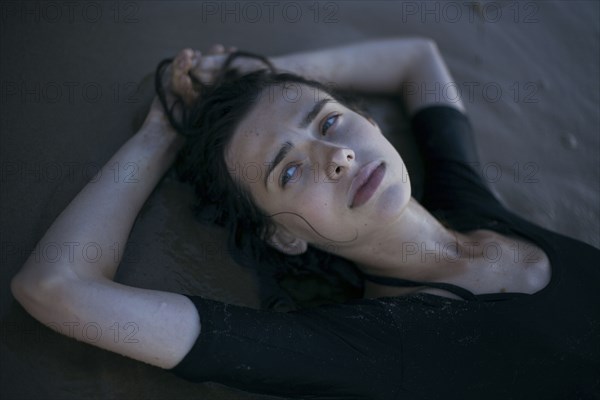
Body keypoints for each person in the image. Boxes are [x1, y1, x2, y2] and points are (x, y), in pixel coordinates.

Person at [10, 39, 600, 399]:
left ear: (368, 123)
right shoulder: (375, 347)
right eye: (288, 173)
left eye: (328, 123)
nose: (337, 157)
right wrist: (162, 135)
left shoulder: (471, 204)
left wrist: (251, 76)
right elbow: (56, 289)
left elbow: (416, 58)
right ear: (284, 236)